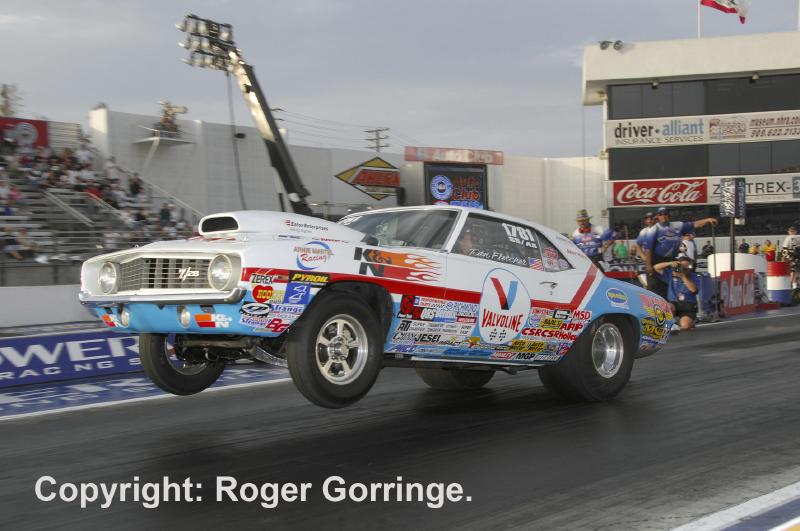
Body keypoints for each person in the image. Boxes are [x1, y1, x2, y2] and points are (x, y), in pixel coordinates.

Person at [642, 207, 717, 299]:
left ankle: (674, 303)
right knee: (655, 288)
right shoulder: (653, 230)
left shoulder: (677, 225)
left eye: (665, 214)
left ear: (669, 216)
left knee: (672, 285)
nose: (663, 216)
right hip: (657, 260)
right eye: (660, 214)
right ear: (657, 216)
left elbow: (694, 224)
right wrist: (648, 265)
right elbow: (648, 249)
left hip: (672, 259)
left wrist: (708, 220)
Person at [653, 254, 700, 330]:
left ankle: (688, 321)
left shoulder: (694, 276)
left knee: (685, 326)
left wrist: (683, 276)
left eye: (686, 267)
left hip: (688, 306)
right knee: (666, 306)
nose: (684, 268)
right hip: (674, 304)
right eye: (682, 266)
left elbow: (693, 289)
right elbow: (656, 267)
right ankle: (672, 321)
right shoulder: (671, 274)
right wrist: (670, 263)